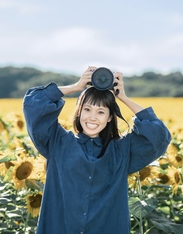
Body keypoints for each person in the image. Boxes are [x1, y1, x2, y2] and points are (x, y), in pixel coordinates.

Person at [23, 66, 171, 234]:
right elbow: (34, 104)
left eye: (101, 112)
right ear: (79, 112)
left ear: (109, 118)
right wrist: (76, 87)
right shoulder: (57, 142)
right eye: (87, 109)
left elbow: (159, 135)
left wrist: (122, 97)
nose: (92, 117)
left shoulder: (121, 150)